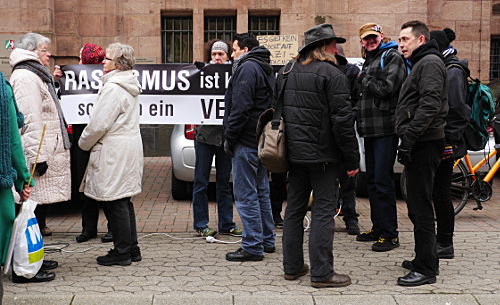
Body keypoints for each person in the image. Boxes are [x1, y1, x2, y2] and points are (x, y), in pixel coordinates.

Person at [281, 24, 359, 288]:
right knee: (323, 212)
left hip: (293, 154)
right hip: (324, 156)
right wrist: (352, 160)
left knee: (293, 210)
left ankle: (292, 268)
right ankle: (322, 273)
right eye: (334, 44)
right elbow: (343, 121)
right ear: (324, 47)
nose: (337, 49)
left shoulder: (287, 71)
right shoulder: (332, 74)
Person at [78, 43, 143, 266]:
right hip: (127, 146)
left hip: (114, 150)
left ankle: (122, 251)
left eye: (107, 58)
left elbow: (98, 124)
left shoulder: (114, 88)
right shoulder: (128, 84)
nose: (103, 62)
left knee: (115, 201)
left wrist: (83, 143)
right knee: (124, 199)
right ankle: (132, 249)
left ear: (118, 63)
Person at [396, 20, 448, 286]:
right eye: (400, 39)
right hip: (421, 141)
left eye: (405, 39)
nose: (400, 44)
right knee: (418, 206)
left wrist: (409, 138)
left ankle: (426, 269)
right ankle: (423, 258)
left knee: (421, 207)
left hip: (424, 143)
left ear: (421, 40)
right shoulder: (422, 63)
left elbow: (429, 105)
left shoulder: (428, 64)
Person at [9, 33, 72, 237]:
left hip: (43, 148)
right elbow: (30, 120)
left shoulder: (34, 73)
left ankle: (36, 259)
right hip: (37, 153)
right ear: (32, 51)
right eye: (44, 50)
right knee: (30, 208)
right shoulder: (27, 76)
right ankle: (30, 261)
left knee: (35, 207)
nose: (50, 53)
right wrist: (39, 158)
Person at [223, 33, 275, 262]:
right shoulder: (264, 67)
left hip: (246, 140)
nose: (232, 55)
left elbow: (240, 108)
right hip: (259, 140)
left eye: (233, 50)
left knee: (246, 195)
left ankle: (253, 245)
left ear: (244, 49)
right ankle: (266, 240)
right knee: (261, 191)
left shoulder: (247, 68)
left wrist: (230, 138)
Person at [355, 23, 407, 252]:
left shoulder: (392, 56)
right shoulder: (371, 58)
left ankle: (390, 234)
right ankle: (378, 228)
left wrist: (364, 78)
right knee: (373, 181)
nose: (370, 41)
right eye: (366, 39)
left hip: (385, 128)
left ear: (382, 36)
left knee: (383, 182)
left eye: (373, 37)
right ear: (362, 42)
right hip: (370, 129)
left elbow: (386, 88)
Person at [0, 72, 55, 285]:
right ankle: (18, 270)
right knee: (6, 224)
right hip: (1, 178)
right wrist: (24, 180)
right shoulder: (3, 89)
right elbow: (13, 142)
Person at [192, 40, 241, 237]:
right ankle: (201, 224)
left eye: (221, 54)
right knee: (201, 182)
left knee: (224, 182)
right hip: (204, 137)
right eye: (214, 55)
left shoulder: (235, 74)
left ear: (228, 56)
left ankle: (226, 224)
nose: (217, 58)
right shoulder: (202, 74)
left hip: (225, 137)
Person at [73, 43, 113, 243]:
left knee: (104, 181)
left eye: (81, 59)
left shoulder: (109, 80)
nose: (78, 62)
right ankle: (89, 228)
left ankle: (112, 227)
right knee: (84, 183)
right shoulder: (73, 78)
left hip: (101, 135)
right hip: (82, 135)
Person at [334, 45, 361, 235]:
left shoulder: (351, 72)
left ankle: (350, 215)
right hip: (328, 131)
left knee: (348, 177)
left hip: (343, 129)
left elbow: (359, 100)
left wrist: (347, 115)